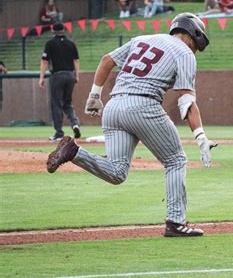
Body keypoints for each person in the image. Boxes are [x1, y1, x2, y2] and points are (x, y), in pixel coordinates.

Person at [46, 13, 217, 238]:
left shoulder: (142, 39)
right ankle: (175, 223)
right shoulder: (185, 52)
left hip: (114, 106)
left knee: (117, 173)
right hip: (143, 104)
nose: (196, 49)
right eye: (197, 43)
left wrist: (95, 95)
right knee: (176, 160)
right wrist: (201, 136)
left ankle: (73, 151)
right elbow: (186, 100)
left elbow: (107, 59)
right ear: (194, 34)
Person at [38, 22, 81, 142]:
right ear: (63, 30)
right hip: (70, 75)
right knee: (68, 102)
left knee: (56, 103)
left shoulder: (50, 43)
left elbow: (44, 61)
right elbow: (76, 60)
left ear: (53, 31)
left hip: (57, 75)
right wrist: (76, 75)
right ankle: (75, 124)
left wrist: (41, 77)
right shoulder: (70, 43)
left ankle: (59, 132)